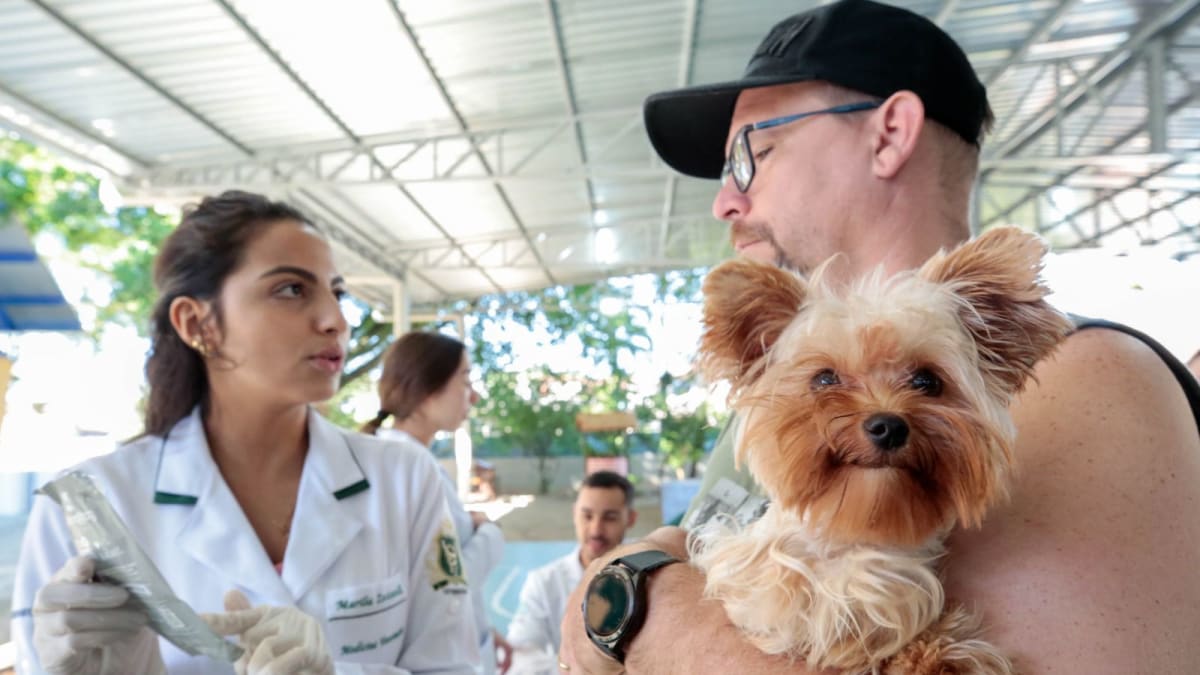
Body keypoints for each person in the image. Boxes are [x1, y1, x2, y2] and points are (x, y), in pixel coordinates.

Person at [557, 1, 1200, 673]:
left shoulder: (1090, 380)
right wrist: (644, 569)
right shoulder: (771, 402)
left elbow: (641, 594)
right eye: (826, 380)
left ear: (890, 134)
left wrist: (635, 607)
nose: (725, 201)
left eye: (751, 154)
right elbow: (679, 547)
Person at [11, 190, 479, 674]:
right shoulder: (91, 506)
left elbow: (455, 668)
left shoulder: (404, 478)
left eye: (337, 294)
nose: (336, 321)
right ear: (197, 324)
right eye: (291, 290)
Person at [361, 331, 511, 675]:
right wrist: (490, 531)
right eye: (465, 380)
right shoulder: (410, 471)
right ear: (427, 388)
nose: (473, 396)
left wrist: (483, 630)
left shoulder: (398, 461)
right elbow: (451, 583)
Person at [507, 472, 635, 675]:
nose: (596, 530)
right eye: (587, 516)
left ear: (630, 518)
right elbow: (520, 657)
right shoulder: (544, 583)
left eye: (610, 518)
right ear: (575, 513)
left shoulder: (648, 581)